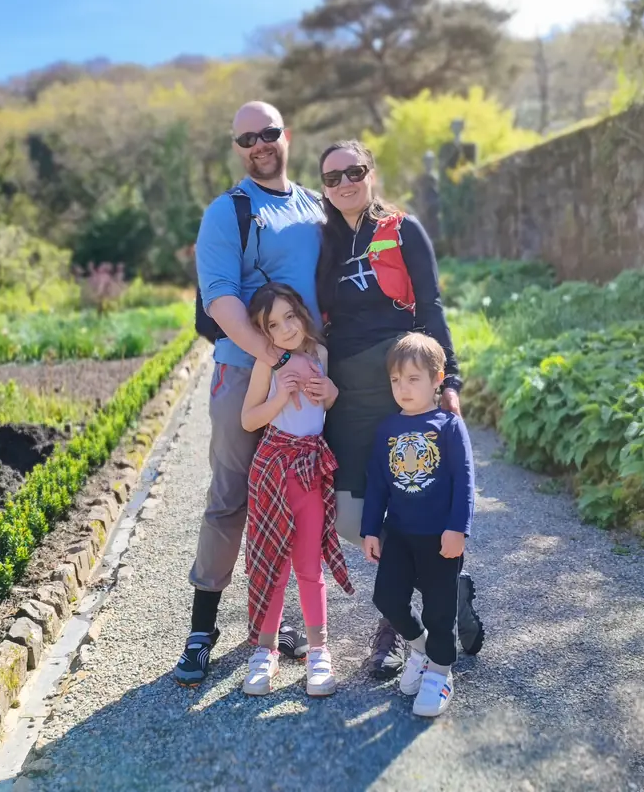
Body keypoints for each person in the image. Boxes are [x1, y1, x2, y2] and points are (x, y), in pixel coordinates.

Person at [315, 139, 483, 678]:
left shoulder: (403, 229)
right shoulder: (322, 242)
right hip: (347, 400)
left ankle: (397, 636)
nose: (344, 182)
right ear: (322, 185)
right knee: (350, 515)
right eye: (332, 175)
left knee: (418, 498)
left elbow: (430, 304)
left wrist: (448, 377)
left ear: (371, 173)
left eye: (354, 171)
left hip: (399, 389)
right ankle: (443, 584)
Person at [174, 101, 324, 686]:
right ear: (237, 147)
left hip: (306, 378)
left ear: (287, 135)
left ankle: (271, 621)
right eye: (246, 138)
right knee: (231, 496)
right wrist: (274, 357)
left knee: (294, 496)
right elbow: (220, 297)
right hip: (244, 373)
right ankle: (201, 628)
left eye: (268, 133)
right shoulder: (227, 213)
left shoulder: (316, 205)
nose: (259, 144)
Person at [239, 282, 353, 697]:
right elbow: (249, 419)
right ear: (264, 333)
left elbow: (325, 405)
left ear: (302, 314)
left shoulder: (320, 356)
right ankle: (264, 652)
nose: (286, 328)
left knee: (308, 562)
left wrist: (331, 392)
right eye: (274, 324)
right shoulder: (266, 365)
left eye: (290, 316)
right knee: (272, 563)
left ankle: (318, 652)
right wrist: (280, 396)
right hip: (273, 469)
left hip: (310, 469)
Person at [361, 332, 475, 717]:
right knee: (387, 598)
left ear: (436, 378)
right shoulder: (387, 429)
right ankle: (422, 647)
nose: (403, 388)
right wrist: (371, 529)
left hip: (440, 536)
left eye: (413, 379)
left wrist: (458, 527)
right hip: (401, 534)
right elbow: (377, 482)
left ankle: (440, 673)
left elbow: (464, 479)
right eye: (396, 380)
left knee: (439, 608)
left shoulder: (449, 425)